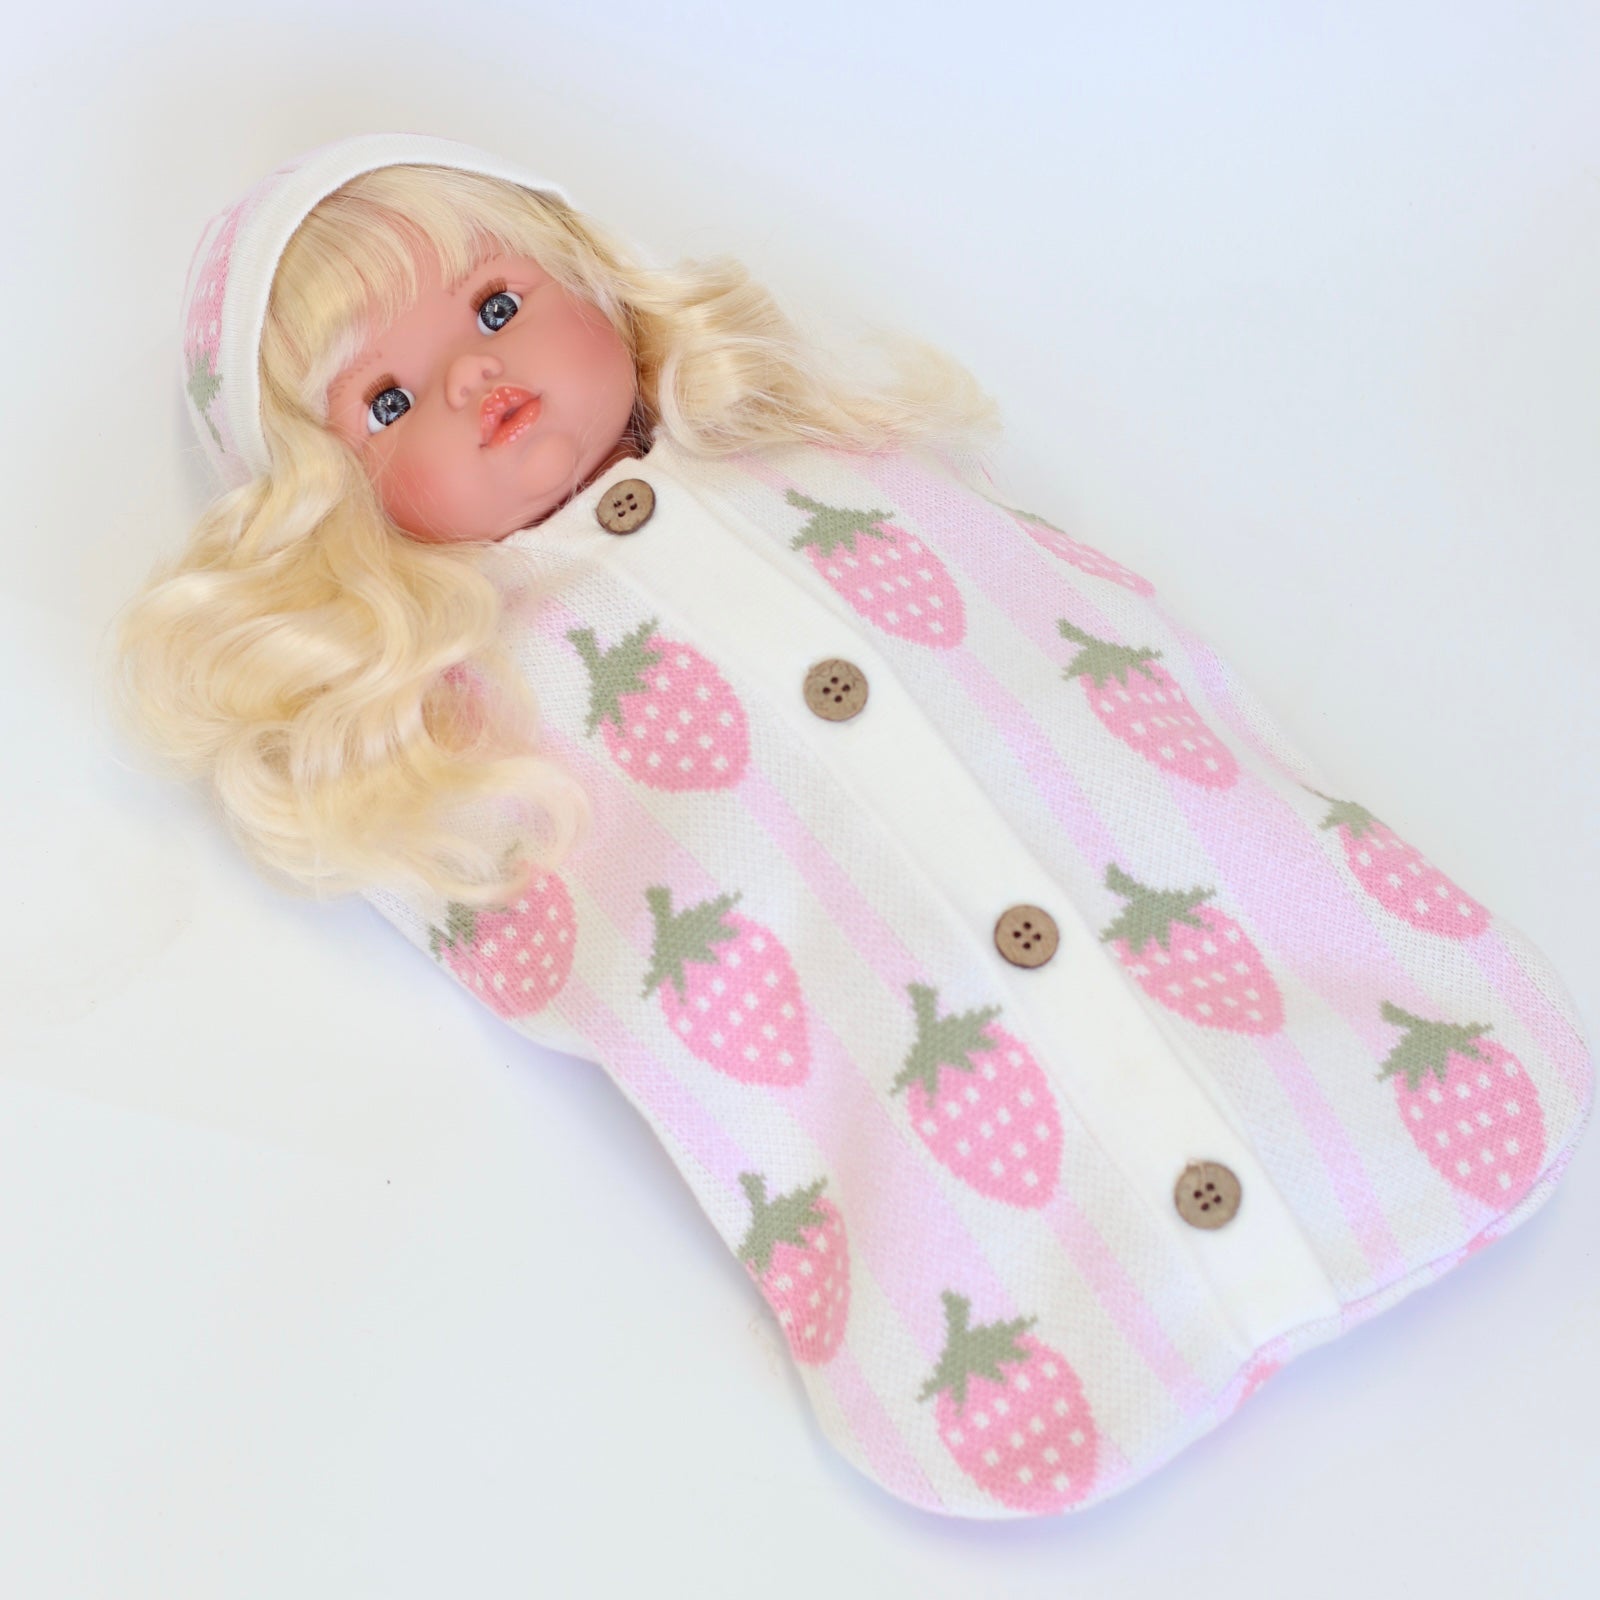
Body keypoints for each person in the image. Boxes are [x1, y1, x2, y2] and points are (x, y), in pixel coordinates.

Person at [106, 133, 1593, 1520]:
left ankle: (1344, 1095)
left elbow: (1068, 651)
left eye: (497, 304)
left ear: (595, 282)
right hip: (971, 1228)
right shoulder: (458, 708)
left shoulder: (821, 458)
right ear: (336, 501)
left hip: (1311, 1000)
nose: (475, 375)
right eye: (386, 402)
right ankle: (1111, 1301)